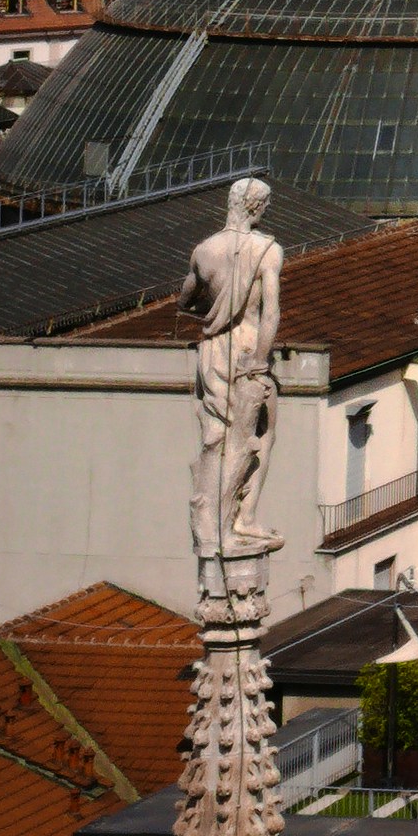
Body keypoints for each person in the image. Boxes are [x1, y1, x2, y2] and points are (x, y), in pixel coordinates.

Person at [186, 178, 287, 560]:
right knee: (258, 437)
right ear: (256, 206)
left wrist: (215, 310)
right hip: (248, 351)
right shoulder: (268, 251)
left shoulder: (204, 250)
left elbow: (185, 300)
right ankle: (239, 519)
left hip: (213, 351)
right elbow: (271, 313)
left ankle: (217, 521)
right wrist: (260, 360)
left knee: (217, 438)